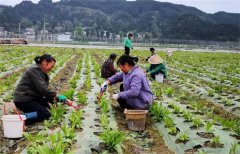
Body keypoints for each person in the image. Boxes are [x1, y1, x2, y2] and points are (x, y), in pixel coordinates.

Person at [13, 54, 66, 123]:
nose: (51, 69)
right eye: (51, 66)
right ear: (44, 62)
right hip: (23, 99)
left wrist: (59, 99)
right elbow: (43, 89)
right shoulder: (34, 70)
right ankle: (20, 119)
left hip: (32, 97)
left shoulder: (42, 72)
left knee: (48, 106)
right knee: (45, 113)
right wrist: (56, 95)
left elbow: (47, 91)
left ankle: (26, 112)